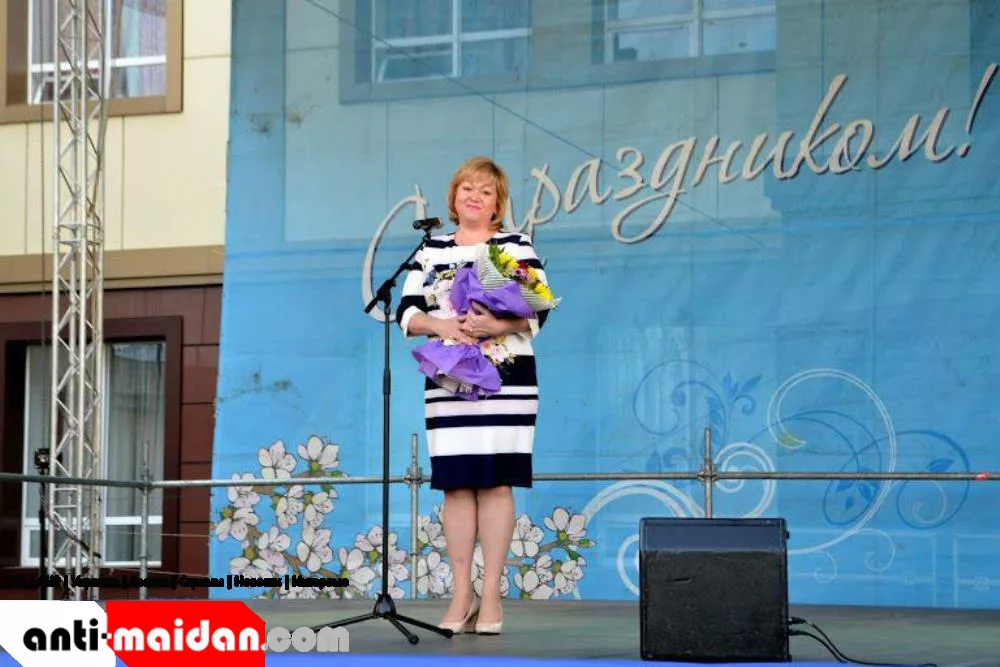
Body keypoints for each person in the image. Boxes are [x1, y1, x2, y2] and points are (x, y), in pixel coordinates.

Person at [396, 156, 553, 636]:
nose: (474, 197)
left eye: (485, 191)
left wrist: (496, 325)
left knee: (497, 483)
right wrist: (443, 325)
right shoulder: (431, 249)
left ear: (497, 203)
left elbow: (539, 309)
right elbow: (406, 313)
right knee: (457, 484)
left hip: (507, 377)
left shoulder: (515, 246)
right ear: (454, 197)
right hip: (450, 378)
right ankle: (461, 593)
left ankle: (492, 598)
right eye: (467, 188)